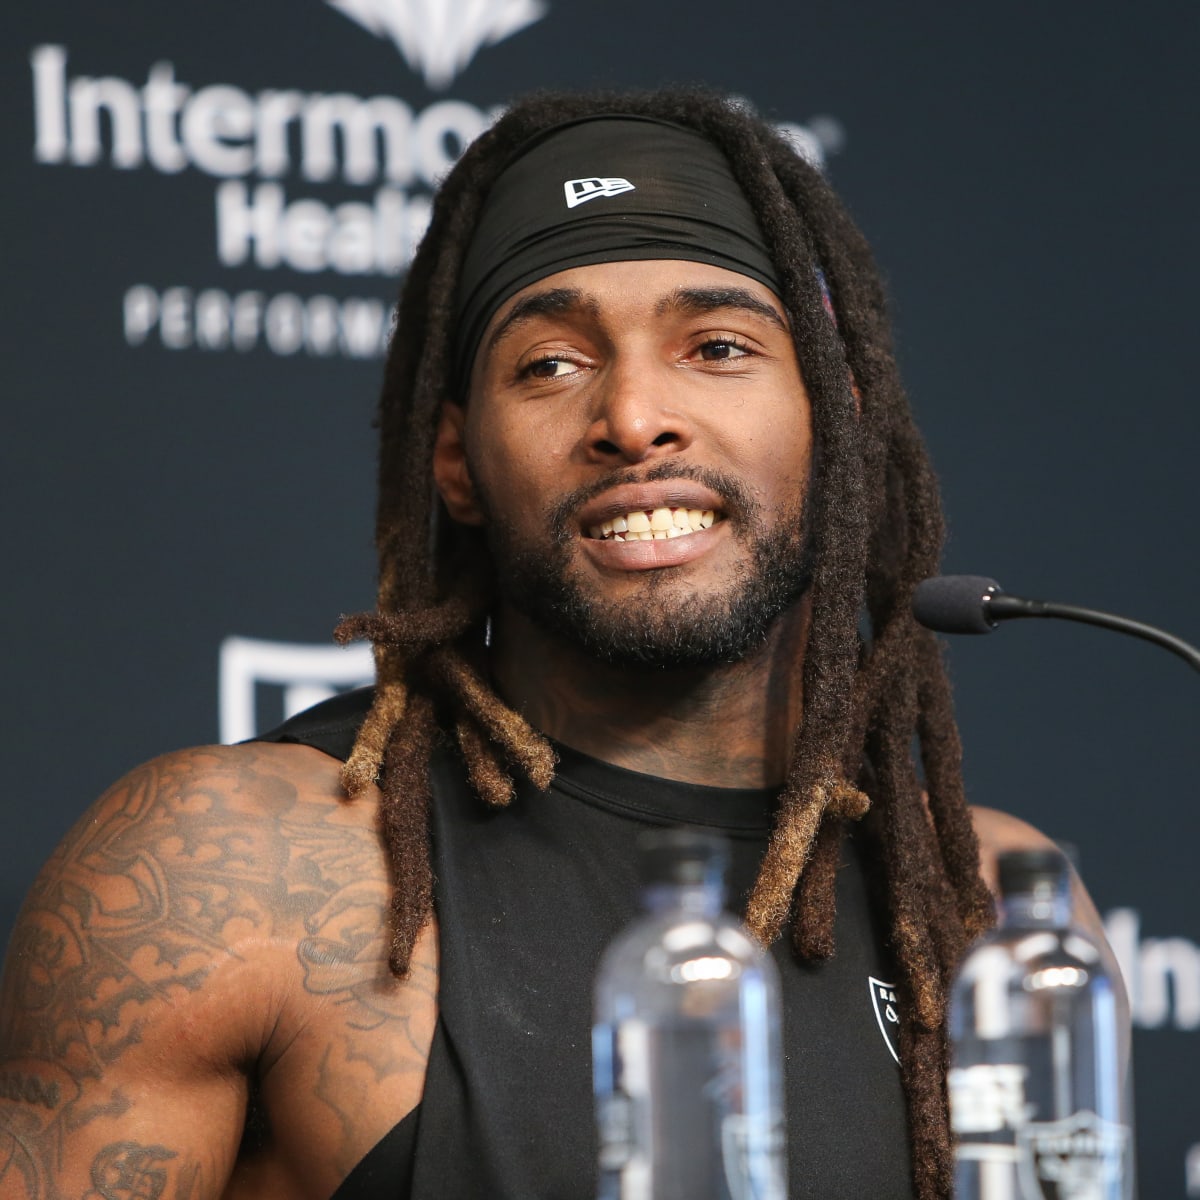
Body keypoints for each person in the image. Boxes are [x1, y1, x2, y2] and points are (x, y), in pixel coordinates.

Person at [0, 88, 1122, 1200]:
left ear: (839, 422)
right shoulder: (231, 873)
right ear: (456, 462)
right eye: (551, 363)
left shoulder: (991, 912)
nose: (634, 416)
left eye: (718, 346)